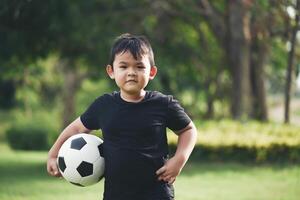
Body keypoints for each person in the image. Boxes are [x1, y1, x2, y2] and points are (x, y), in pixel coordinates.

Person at [47, 33, 197, 200]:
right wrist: (53, 155)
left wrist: (179, 159)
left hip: (157, 193)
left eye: (139, 67)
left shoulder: (163, 104)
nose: (131, 72)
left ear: (152, 72)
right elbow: (76, 128)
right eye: (124, 66)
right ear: (111, 71)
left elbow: (189, 130)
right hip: (116, 194)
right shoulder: (104, 105)